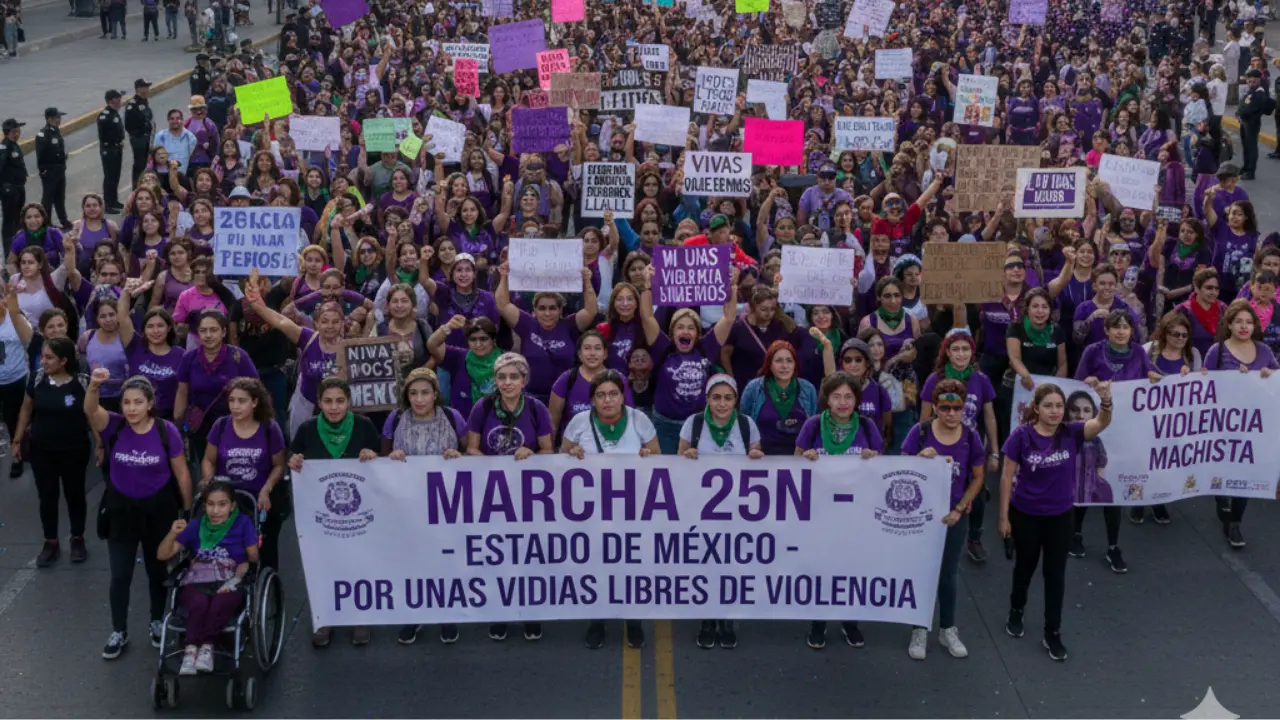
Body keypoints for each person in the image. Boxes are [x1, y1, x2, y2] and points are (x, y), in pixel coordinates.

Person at [999, 381, 1113, 662]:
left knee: (1055, 575)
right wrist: (1003, 517)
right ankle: (1016, 609)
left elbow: (1100, 423)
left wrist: (1106, 402)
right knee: (1025, 567)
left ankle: (1053, 632)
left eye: (1059, 406)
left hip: (1060, 516)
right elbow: (1005, 477)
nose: (1055, 411)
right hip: (1025, 514)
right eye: (1048, 406)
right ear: (1036, 408)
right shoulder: (1020, 437)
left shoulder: (1072, 433)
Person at [86, 371, 192, 660]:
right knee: (120, 575)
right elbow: (91, 410)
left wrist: (187, 511)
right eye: (126, 402)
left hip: (159, 512)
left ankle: (157, 621)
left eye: (137, 402)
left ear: (150, 404)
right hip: (121, 511)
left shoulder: (165, 430)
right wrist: (94, 386)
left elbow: (181, 472)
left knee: (157, 572)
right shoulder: (114, 426)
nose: (131, 409)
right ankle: (118, 630)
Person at [561, 369, 659, 650]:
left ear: (622, 396)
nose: (607, 400)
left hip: (632, 509)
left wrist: (646, 456)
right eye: (601, 395)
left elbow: (659, 459)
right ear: (592, 399)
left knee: (632, 566)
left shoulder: (639, 419)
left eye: (613, 394)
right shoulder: (579, 422)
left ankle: (634, 620)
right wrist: (573, 454)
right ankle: (597, 620)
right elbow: (562, 457)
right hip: (592, 509)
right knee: (596, 567)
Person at [287, 377, 381, 647]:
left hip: (359, 511)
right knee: (323, 564)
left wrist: (371, 456)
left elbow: (381, 465)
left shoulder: (364, 426)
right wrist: (295, 462)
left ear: (349, 402)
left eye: (340, 401)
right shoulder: (306, 429)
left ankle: (359, 616)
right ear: (319, 403)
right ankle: (325, 616)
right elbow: (294, 462)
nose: (334, 407)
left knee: (357, 561)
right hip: (321, 514)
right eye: (328, 401)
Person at [465, 352, 553, 641]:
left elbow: (547, 451)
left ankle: (530, 613)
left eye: (514, 376)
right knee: (497, 555)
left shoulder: (537, 408)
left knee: (528, 556)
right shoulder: (483, 406)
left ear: (524, 379)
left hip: (528, 496)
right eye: (501, 377)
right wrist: (493, 464)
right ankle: (500, 612)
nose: (507, 382)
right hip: (494, 494)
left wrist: (532, 454)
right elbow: (472, 449)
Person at [796, 371, 881, 651]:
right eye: (836, 396)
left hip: (855, 515)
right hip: (820, 513)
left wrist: (873, 460)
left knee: (851, 569)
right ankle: (818, 622)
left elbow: (881, 471)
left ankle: (849, 620)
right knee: (822, 568)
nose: (843, 402)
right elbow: (794, 465)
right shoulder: (812, 426)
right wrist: (806, 459)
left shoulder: (868, 427)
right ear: (827, 400)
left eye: (848, 396)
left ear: (856, 400)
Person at [901, 378, 985, 661]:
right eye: (945, 408)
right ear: (935, 408)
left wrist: (960, 509)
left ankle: (947, 627)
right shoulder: (920, 432)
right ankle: (919, 628)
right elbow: (899, 468)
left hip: (952, 516)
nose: (951, 413)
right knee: (922, 572)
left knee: (948, 573)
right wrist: (918, 460)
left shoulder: (971, 437)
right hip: (920, 516)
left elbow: (978, 476)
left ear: (964, 409)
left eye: (957, 408)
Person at [679, 373, 763, 649]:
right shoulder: (694, 423)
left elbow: (758, 462)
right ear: (707, 399)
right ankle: (707, 617)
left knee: (732, 565)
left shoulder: (746, 424)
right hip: (700, 510)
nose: (722, 404)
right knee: (705, 565)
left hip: (737, 509)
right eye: (716, 397)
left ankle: (727, 617)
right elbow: (676, 465)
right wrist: (687, 456)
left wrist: (755, 457)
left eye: (728, 398)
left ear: (736, 400)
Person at [385, 368, 467, 647]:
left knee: (444, 559)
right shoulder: (395, 419)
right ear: (407, 396)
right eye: (413, 393)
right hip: (408, 504)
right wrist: (390, 457)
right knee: (413, 561)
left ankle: (447, 614)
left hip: (446, 503)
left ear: (435, 394)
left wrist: (459, 456)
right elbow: (380, 459)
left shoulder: (453, 418)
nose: (419, 399)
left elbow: (471, 456)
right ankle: (414, 614)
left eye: (425, 393)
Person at [156, 479, 258, 676]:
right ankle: (191, 649)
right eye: (210, 505)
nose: (215, 511)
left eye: (222, 504)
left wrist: (246, 562)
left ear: (232, 506)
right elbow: (162, 555)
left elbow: (253, 556)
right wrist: (172, 533)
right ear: (205, 506)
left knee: (220, 603)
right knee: (199, 603)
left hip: (229, 580)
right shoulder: (196, 525)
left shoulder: (243, 524)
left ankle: (206, 647)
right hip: (197, 579)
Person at [638, 265, 739, 454]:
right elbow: (646, 317)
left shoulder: (705, 348)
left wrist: (732, 286)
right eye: (680, 327)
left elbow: (729, 318)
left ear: (698, 333)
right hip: (665, 426)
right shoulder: (663, 348)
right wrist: (647, 286)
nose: (685, 331)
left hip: (697, 425)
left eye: (691, 328)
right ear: (672, 332)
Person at [1203, 299, 1278, 549]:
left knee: (1245, 473)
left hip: (1254, 426)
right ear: (1230, 325)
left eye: (1248, 322)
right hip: (1223, 424)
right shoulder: (1218, 351)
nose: (1244, 327)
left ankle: (1235, 523)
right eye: (1239, 322)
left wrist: (1269, 376)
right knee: (1224, 472)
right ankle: (1221, 500)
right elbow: (1204, 387)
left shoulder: (1264, 352)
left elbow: (1277, 383)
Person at [14, 330, 91, 567]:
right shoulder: (37, 379)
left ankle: (77, 539)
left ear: (64, 361)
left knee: (75, 494)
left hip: (75, 450)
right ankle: (51, 542)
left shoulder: (82, 383)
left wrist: (100, 444)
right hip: (42, 451)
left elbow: (92, 415)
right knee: (47, 496)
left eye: (49, 358)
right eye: (43, 357)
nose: (43, 362)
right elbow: (26, 409)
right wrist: (17, 441)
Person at [200, 378, 287, 569]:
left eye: (242, 401)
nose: (235, 406)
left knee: (265, 553)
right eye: (232, 401)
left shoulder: (269, 428)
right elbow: (208, 459)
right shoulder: (221, 426)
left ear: (254, 402)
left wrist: (267, 488)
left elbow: (279, 465)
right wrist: (210, 481)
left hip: (259, 500)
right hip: (228, 501)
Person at [739, 335, 830, 456]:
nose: (785, 366)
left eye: (789, 360)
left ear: (795, 364)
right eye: (778, 361)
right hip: (761, 458)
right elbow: (744, 425)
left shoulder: (808, 389)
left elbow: (814, 426)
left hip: (799, 458)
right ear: (769, 364)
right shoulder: (754, 388)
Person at [35, 108, 71, 231]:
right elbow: (41, 155)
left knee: (60, 197)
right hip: (50, 171)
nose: (59, 119)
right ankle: (46, 223)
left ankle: (64, 220)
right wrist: (43, 171)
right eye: (57, 117)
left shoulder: (56, 131)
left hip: (60, 170)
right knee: (48, 200)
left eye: (59, 117)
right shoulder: (43, 134)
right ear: (49, 119)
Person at [97, 91, 127, 214]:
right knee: (109, 176)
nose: (120, 102)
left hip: (117, 148)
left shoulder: (114, 113)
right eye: (118, 100)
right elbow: (105, 136)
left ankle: (114, 200)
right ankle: (108, 204)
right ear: (110, 101)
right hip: (109, 149)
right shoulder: (105, 116)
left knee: (116, 175)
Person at [0, 118, 28, 246]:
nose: (19, 133)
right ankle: (8, 250)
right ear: (11, 132)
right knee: (9, 221)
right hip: (9, 190)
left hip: (18, 187)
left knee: (18, 219)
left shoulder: (14, 144)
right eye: (17, 130)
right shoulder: (4, 148)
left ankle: (18, 246)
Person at [1236, 68, 1267, 180]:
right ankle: (1245, 166)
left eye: (1253, 81)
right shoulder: (1249, 91)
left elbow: (1251, 108)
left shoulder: (1260, 93)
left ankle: (1250, 171)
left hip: (1252, 122)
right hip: (1244, 121)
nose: (1250, 83)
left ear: (1259, 80)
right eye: (1249, 81)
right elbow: (1242, 103)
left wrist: (1242, 113)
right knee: (1245, 146)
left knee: (1251, 146)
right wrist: (1238, 113)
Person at [124, 79, 155, 186]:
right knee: (139, 164)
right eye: (145, 87)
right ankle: (137, 186)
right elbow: (128, 126)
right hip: (138, 138)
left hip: (146, 137)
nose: (147, 89)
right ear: (138, 89)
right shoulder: (132, 105)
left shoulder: (144, 101)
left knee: (146, 163)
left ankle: (144, 184)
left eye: (147, 87)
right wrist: (140, 133)